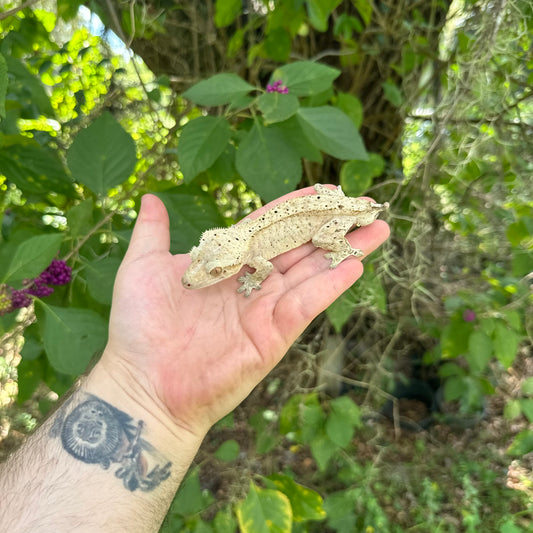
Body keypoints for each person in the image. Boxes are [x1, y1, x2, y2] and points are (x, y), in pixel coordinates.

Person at [0, 186, 390, 532]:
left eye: (215, 271)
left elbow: (266, 267)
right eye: (200, 263)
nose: (194, 278)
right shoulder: (230, 242)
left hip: (334, 212)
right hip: (329, 200)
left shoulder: (253, 255)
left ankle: (342, 244)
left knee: (326, 238)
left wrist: (264, 274)